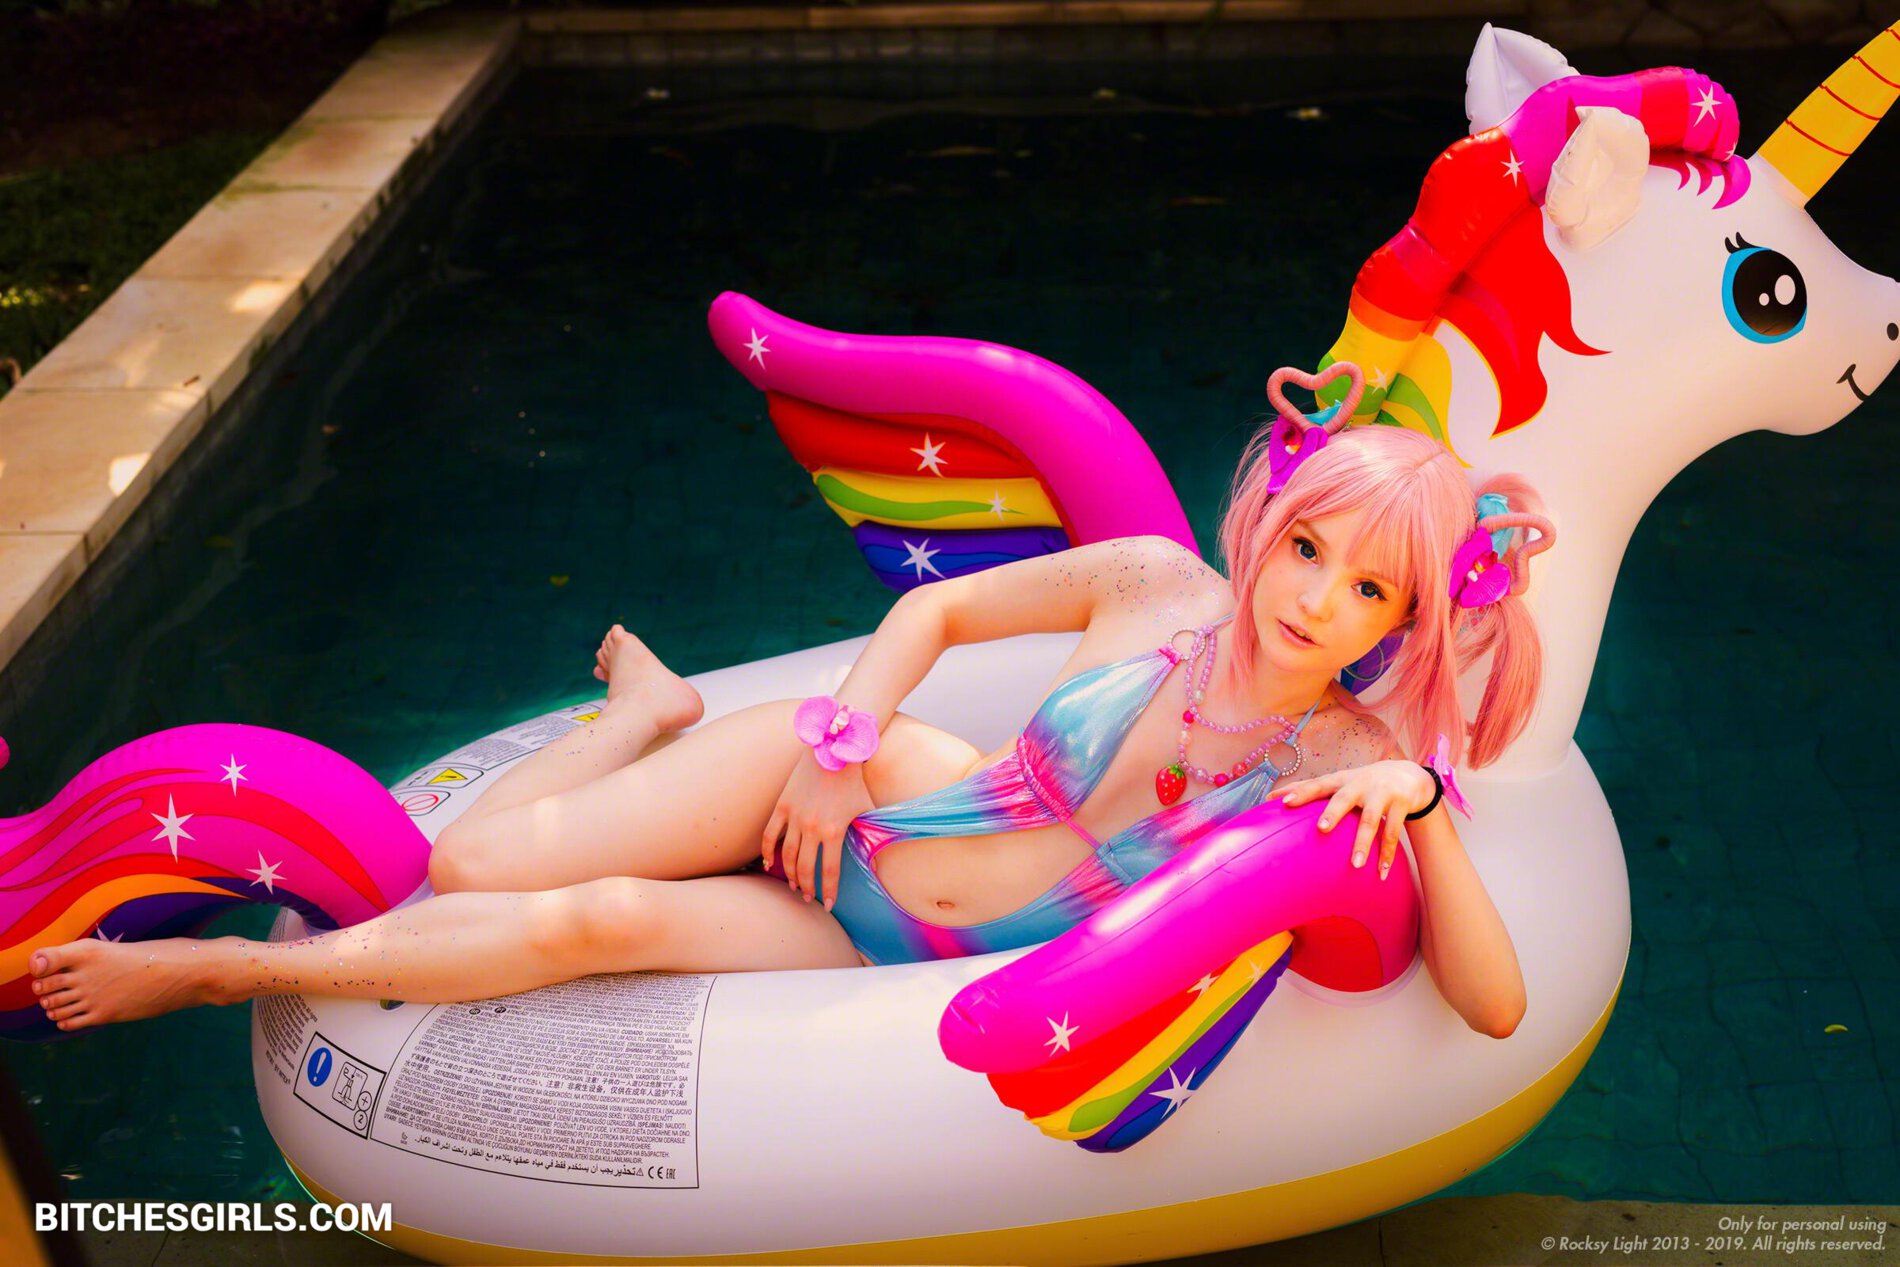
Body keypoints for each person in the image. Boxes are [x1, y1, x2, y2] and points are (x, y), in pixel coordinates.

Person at [26, 422, 1539, 1039]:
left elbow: (1494, 1009)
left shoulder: (1350, 764)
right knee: (473, 864)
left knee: (603, 921)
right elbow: (934, 612)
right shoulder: (1158, 586)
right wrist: (834, 746)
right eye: (1308, 549)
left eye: (1370, 588)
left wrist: (1421, 808)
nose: (1316, 599)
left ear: (1407, 620)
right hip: (870, 794)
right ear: (1269, 525)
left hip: (906, 939)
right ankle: (655, 713)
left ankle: (217, 969)